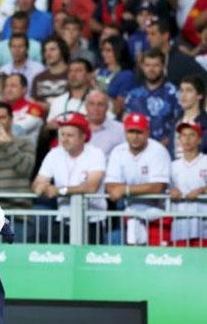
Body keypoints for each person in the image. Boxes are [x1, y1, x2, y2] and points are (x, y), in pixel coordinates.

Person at [32, 113, 107, 243]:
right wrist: (42, 187)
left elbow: (91, 187)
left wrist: (60, 190)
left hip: (92, 220)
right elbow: (37, 183)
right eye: (62, 134)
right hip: (63, 218)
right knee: (57, 260)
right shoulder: (54, 153)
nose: (64, 139)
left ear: (83, 136)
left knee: (89, 262)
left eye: (70, 135)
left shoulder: (96, 153)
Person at [105, 112, 172, 246]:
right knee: (134, 255)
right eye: (131, 131)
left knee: (159, 257)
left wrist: (125, 190)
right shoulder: (118, 151)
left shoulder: (158, 151)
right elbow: (111, 186)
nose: (134, 136)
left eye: (139, 132)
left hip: (158, 213)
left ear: (147, 132)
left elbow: (157, 187)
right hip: (133, 211)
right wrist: (124, 190)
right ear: (125, 132)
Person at [124, 48, 180, 155]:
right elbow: (126, 125)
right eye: (148, 65)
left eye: (156, 65)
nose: (151, 69)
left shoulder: (174, 93)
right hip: (138, 153)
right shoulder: (132, 95)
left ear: (163, 66)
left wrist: (167, 141)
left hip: (166, 152)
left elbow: (179, 123)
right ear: (142, 67)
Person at [170, 122, 207, 247]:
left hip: (203, 223)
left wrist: (202, 190)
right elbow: (165, 189)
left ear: (199, 139)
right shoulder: (173, 166)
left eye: (192, 135)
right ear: (179, 140)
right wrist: (171, 191)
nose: (187, 139)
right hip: (180, 223)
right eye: (183, 135)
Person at [85, 89, 125, 158]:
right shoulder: (76, 128)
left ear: (107, 107)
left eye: (100, 104)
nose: (96, 108)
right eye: (92, 104)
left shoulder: (120, 130)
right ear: (86, 107)